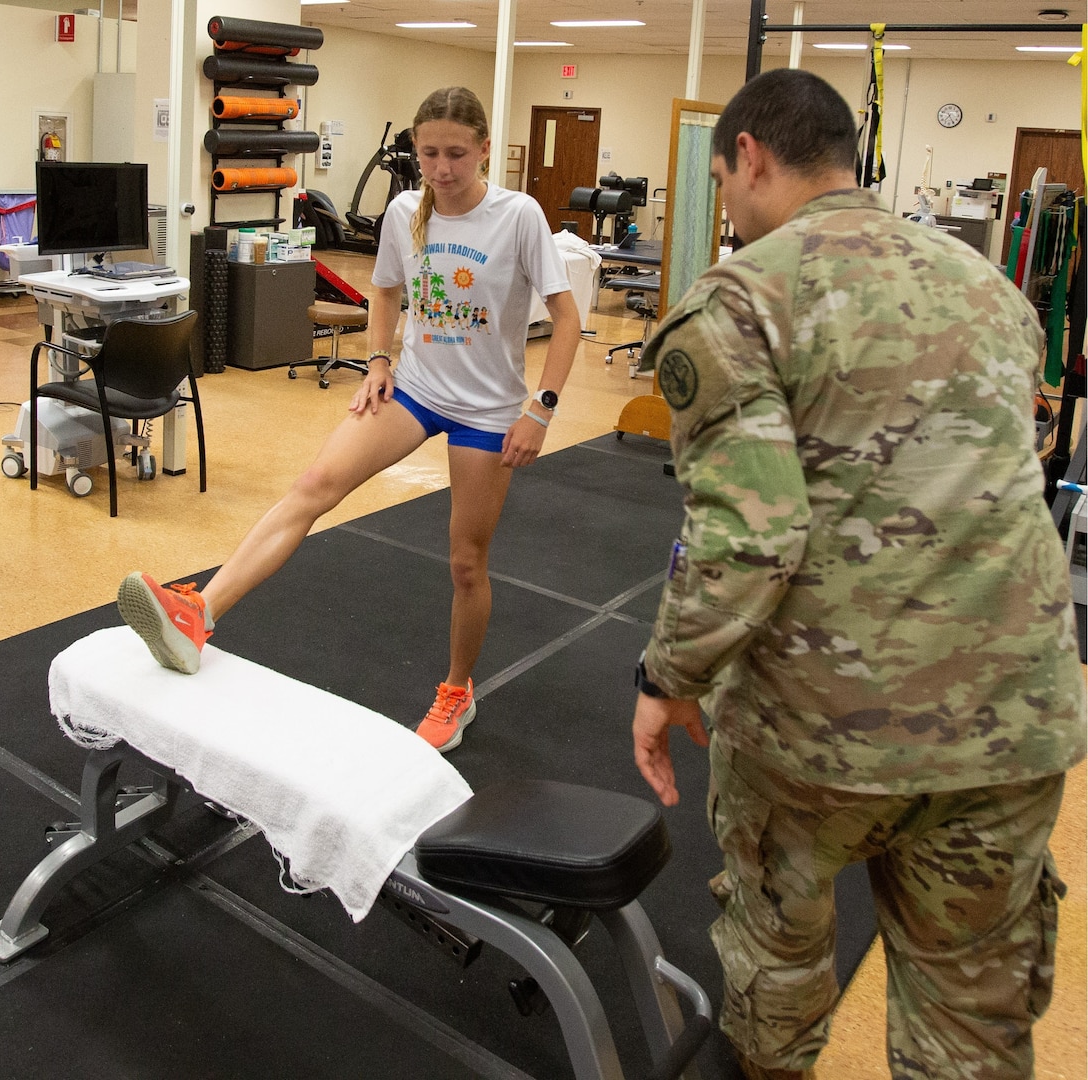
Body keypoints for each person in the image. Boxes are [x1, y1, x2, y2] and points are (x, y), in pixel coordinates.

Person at [628, 69, 1085, 1080]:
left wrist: (666, 681)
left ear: (748, 156)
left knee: (777, 969)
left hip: (822, 735)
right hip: (1008, 723)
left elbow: (747, 542)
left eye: (725, 182)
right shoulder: (987, 286)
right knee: (972, 1021)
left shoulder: (744, 298)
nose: (731, 210)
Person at [118, 86, 581, 752]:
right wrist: (380, 359)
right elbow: (386, 290)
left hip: (486, 409)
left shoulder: (518, 216)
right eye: (429, 153)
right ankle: (199, 614)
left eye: (456, 153)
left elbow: (567, 318)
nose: (443, 169)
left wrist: (541, 409)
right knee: (312, 486)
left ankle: (457, 690)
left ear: (484, 148)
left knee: (466, 564)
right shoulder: (405, 211)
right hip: (415, 389)